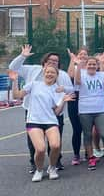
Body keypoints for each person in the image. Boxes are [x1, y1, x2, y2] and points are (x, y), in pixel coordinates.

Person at [9, 44, 74, 172]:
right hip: (34, 111)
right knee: (35, 141)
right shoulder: (32, 71)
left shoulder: (62, 75)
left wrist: (64, 89)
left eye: (56, 61)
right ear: (44, 62)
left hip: (53, 112)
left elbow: (71, 89)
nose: (53, 63)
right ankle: (35, 164)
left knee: (55, 141)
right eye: (50, 61)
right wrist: (23, 56)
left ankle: (55, 163)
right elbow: (13, 67)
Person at [74, 56, 104, 170]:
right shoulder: (81, 73)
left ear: (97, 66)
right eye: (90, 64)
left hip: (100, 109)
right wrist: (78, 65)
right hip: (85, 110)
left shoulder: (102, 75)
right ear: (86, 65)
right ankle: (91, 158)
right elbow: (77, 81)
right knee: (87, 135)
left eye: (94, 64)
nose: (92, 66)